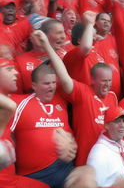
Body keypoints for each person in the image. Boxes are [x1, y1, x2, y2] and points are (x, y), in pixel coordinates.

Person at [32, 30, 118, 166]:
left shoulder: (113, 97)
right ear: (93, 80)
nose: (107, 85)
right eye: (103, 81)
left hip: (108, 160)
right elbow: (63, 75)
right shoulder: (82, 92)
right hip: (86, 161)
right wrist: (46, 45)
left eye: (109, 80)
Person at [10, 63, 76, 188]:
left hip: (65, 168)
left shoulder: (62, 100)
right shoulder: (19, 103)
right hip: (35, 174)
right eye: (46, 83)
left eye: (53, 82)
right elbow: (6, 134)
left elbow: (68, 81)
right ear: (34, 86)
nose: (51, 87)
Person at [0, 58, 50, 188]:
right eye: (9, 69)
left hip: (12, 179)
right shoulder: (9, 105)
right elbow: (10, 106)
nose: (16, 73)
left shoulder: (16, 101)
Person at [86, 105, 124, 187]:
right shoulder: (99, 154)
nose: (122, 125)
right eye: (117, 121)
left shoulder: (121, 145)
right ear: (106, 125)